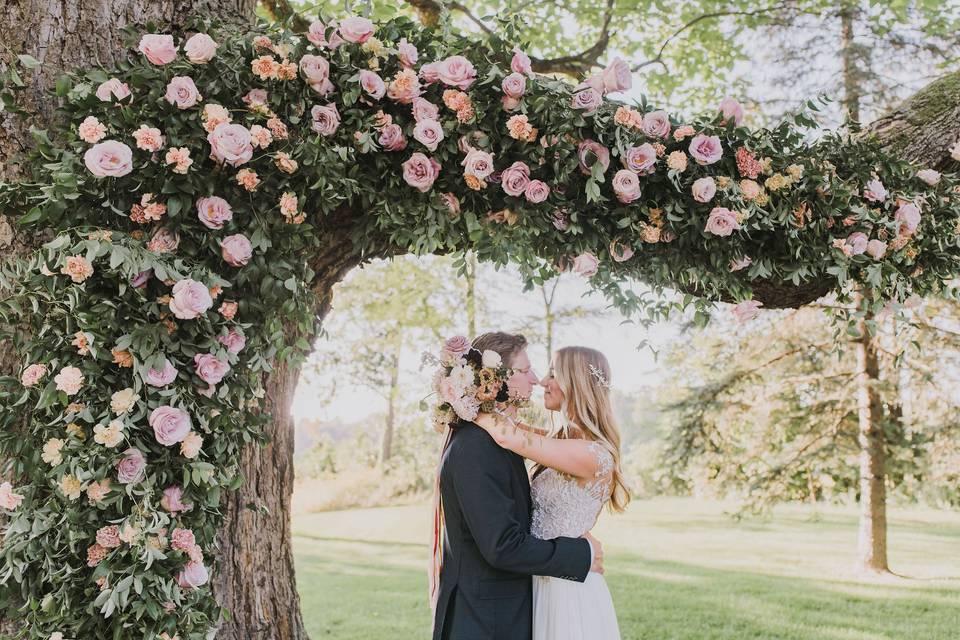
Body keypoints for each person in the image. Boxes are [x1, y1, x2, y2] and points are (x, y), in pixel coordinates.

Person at [431, 332, 603, 640]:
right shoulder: (476, 446)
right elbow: (502, 546)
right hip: (484, 622)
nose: (536, 380)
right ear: (494, 380)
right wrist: (582, 554)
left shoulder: (506, 440)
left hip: (528, 605)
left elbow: (519, 437)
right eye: (525, 371)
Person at [473, 346, 628, 640]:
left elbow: (508, 436)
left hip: (567, 589)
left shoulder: (593, 454)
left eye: (554, 373)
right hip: (542, 576)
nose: (543, 381)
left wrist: (463, 402)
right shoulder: (563, 441)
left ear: (577, 382)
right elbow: (511, 426)